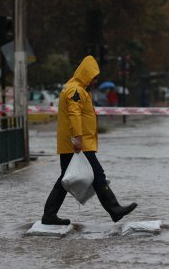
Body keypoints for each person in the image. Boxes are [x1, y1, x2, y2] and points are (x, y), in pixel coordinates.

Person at [42, 55, 137, 225]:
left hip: (76, 143)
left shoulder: (77, 88)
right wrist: (78, 138)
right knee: (98, 175)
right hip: (78, 144)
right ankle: (115, 209)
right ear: (87, 74)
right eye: (94, 77)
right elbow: (74, 114)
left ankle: (49, 215)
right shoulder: (75, 90)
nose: (95, 81)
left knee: (65, 179)